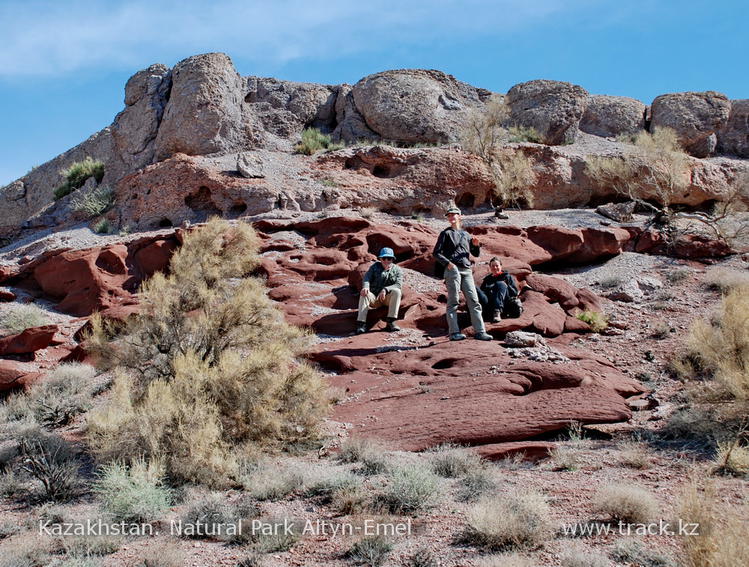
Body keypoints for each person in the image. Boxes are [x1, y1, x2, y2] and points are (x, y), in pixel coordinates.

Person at [433, 206, 492, 341]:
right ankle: (454, 333)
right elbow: (436, 253)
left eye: (454, 214)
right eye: (449, 215)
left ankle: (480, 331)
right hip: (452, 269)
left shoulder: (466, 235)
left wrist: (476, 245)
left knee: (474, 300)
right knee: (453, 301)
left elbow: (475, 254)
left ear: (460, 216)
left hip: (466, 269)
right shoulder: (445, 234)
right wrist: (448, 264)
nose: (452, 217)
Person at [355, 247, 403, 334]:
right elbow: (367, 278)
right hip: (374, 298)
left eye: (389, 258)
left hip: (386, 299)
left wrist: (385, 289)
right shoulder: (374, 267)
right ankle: (361, 324)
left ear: (392, 259)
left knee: (397, 291)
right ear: (380, 258)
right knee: (364, 293)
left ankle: (390, 322)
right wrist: (365, 287)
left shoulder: (397, 270)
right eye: (384, 258)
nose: (386, 260)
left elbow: (398, 285)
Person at [477, 256, 521, 323]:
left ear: (501, 266)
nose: (495, 268)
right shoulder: (487, 279)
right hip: (489, 303)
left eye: (497, 266)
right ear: (490, 267)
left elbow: (514, 293)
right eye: (493, 266)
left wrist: (506, 286)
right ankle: (475, 313)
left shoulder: (506, 276)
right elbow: (482, 294)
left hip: (504, 304)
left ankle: (497, 312)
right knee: (475, 288)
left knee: (500, 284)